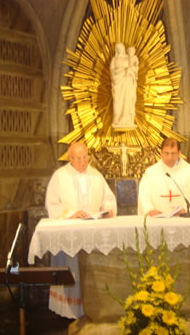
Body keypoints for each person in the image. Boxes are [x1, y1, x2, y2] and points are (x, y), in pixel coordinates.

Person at [44, 142, 117, 319]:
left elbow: (108, 199)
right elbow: (52, 204)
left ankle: (93, 308)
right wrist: (71, 214)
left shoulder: (96, 175)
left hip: (93, 235)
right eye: (79, 158)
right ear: (70, 158)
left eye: (86, 157)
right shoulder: (60, 176)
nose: (83, 162)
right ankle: (70, 312)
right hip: (70, 235)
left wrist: (108, 210)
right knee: (73, 270)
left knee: (91, 272)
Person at [138, 138, 190, 217]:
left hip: (183, 221)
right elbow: (143, 194)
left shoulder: (189, 171)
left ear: (179, 153)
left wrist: (186, 209)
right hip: (157, 222)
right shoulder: (151, 172)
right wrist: (150, 209)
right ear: (161, 153)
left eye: (173, 153)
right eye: (166, 153)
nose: (170, 157)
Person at [110, 42, 138, 128]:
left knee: (128, 101)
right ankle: (117, 120)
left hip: (128, 83)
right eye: (118, 48)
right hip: (118, 84)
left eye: (121, 48)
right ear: (116, 50)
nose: (120, 50)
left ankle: (128, 120)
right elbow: (112, 72)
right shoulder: (114, 59)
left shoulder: (128, 58)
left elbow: (135, 68)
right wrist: (123, 71)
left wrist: (131, 71)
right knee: (118, 102)